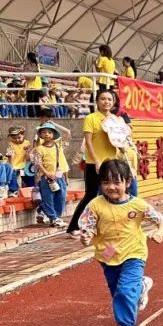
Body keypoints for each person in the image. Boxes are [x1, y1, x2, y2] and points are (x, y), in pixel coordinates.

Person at [78, 158, 163, 326]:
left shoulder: (138, 205)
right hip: (108, 253)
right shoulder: (95, 205)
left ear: (128, 182)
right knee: (118, 293)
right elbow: (88, 229)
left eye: (117, 182)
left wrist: (159, 232)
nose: (111, 187)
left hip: (134, 252)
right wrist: (85, 238)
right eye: (106, 182)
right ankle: (142, 286)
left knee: (125, 291)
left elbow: (160, 220)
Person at [67, 89, 127, 235]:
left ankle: (106, 225)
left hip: (112, 162)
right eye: (103, 99)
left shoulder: (116, 120)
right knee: (91, 195)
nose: (106, 102)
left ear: (113, 102)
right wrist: (96, 160)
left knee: (111, 194)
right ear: (97, 101)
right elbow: (88, 142)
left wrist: (123, 148)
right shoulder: (91, 118)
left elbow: (118, 140)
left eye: (109, 99)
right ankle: (74, 226)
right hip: (94, 163)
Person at [32, 122, 70, 228]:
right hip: (46, 177)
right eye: (44, 132)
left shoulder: (58, 144)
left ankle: (57, 216)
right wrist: (47, 173)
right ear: (40, 135)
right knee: (48, 197)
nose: (47, 134)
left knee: (61, 197)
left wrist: (54, 124)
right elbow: (38, 163)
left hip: (59, 175)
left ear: (53, 134)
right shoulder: (39, 149)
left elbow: (67, 132)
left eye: (49, 132)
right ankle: (53, 217)